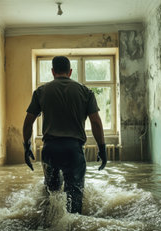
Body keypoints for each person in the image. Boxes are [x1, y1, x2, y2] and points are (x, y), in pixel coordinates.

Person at [22, 56, 107, 214]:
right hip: (73, 151)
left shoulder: (41, 91)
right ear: (70, 71)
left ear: (53, 71)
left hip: (50, 151)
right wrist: (102, 148)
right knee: (74, 198)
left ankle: (50, 230)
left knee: (51, 195)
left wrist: (26, 147)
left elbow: (28, 123)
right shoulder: (85, 91)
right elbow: (96, 122)